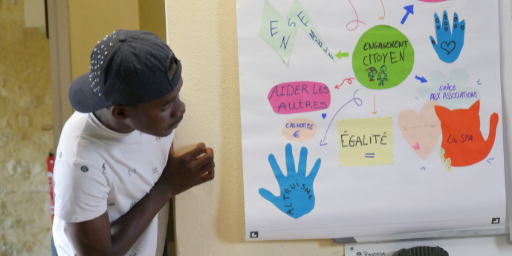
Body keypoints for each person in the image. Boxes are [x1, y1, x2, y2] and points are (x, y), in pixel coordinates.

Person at [51, 29, 215, 256]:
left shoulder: (148, 112)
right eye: (166, 106)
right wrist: (166, 187)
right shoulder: (80, 164)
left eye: (177, 95)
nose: (181, 109)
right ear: (120, 112)